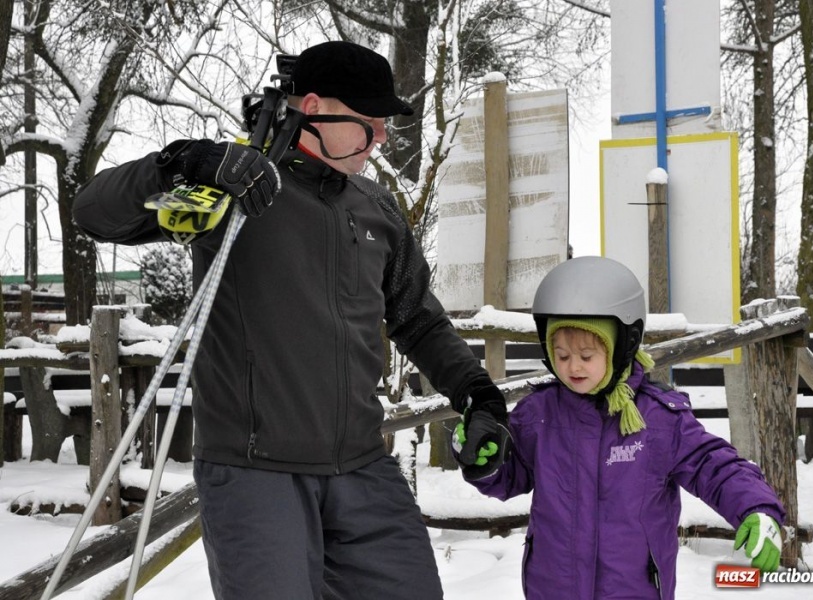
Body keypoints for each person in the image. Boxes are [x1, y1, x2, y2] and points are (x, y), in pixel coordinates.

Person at [73, 40, 509, 600]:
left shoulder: (375, 208)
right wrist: (184, 162)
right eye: (368, 123)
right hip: (256, 472)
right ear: (315, 108)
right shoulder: (233, 189)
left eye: (383, 125)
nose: (380, 138)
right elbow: (92, 213)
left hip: (361, 465)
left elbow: (417, 319)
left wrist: (478, 395)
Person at [452, 256, 786, 600]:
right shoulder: (539, 414)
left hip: (633, 590)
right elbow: (512, 475)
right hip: (553, 589)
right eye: (561, 355)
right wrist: (485, 461)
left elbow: (712, 465)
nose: (573, 367)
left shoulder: (657, 419)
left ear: (623, 345)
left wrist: (756, 507)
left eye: (586, 355)